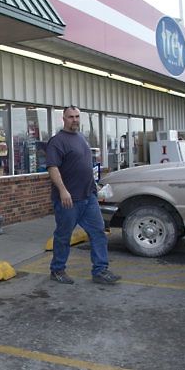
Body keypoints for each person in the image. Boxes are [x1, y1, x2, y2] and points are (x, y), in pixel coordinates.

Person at [46, 106, 121, 285]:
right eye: (71, 117)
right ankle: (57, 270)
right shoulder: (57, 141)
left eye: (77, 116)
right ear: (63, 119)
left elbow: (84, 165)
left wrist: (95, 186)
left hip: (89, 197)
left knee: (98, 233)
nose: (75, 120)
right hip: (68, 200)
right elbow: (53, 168)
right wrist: (63, 191)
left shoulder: (81, 138)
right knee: (63, 236)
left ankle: (100, 270)